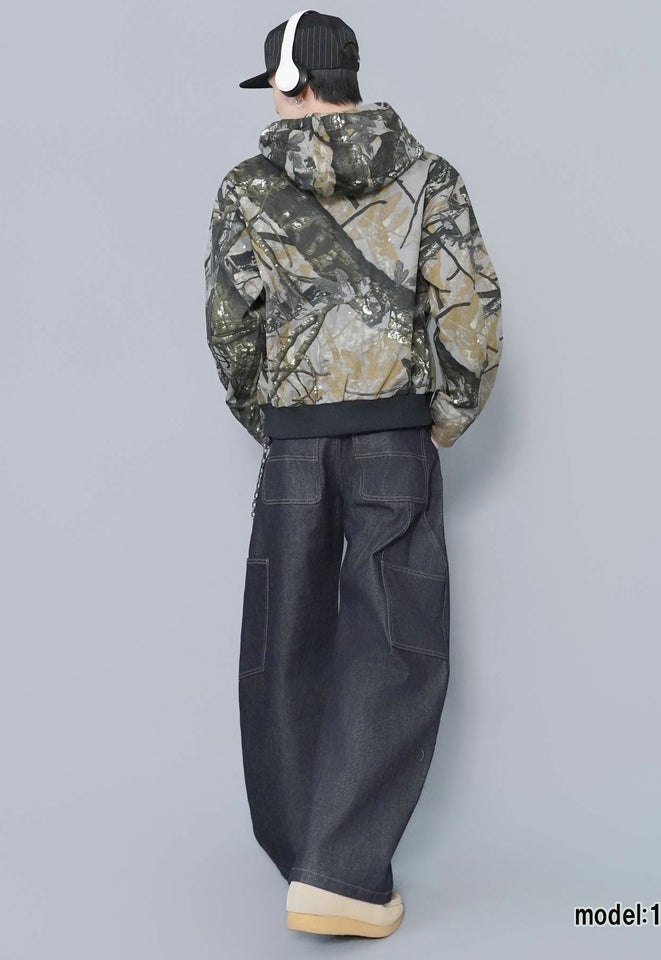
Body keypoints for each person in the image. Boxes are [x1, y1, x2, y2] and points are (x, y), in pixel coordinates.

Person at [204, 9, 503, 939]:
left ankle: (310, 861)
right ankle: (341, 871)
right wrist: (441, 417)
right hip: (393, 442)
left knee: (282, 642)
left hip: (296, 444)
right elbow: (470, 313)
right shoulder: (430, 177)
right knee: (394, 646)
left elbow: (229, 326)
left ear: (291, 81)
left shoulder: (247, 187)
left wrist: (274, 421)